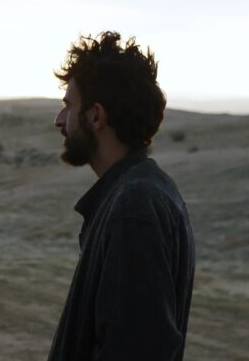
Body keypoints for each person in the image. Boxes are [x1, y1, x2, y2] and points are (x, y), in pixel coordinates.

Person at [48, 31, 195, 361]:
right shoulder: (139, 192)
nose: (59, 120)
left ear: (96, 116)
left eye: (68, 106)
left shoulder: (135, 206)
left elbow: (138, 349)